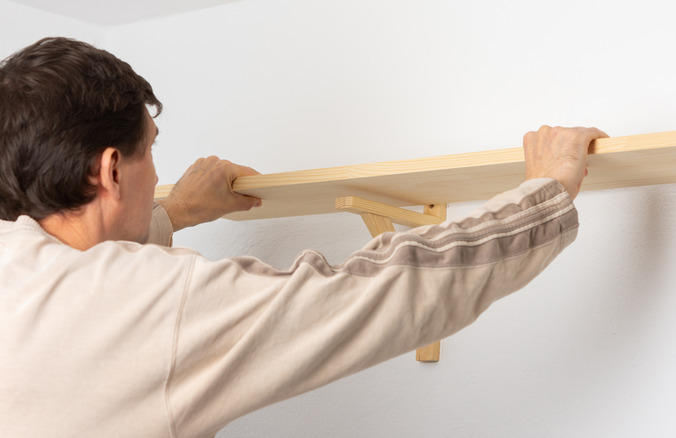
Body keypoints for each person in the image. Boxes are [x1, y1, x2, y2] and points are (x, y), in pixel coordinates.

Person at [0, 37, 607, 437]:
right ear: (108, 170)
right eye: (150, 153)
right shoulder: (154, 305)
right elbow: (377, 294)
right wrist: (543, 192)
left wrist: (177, 211)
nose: (156, 175)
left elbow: (83, 275)